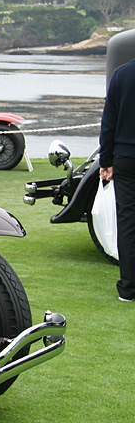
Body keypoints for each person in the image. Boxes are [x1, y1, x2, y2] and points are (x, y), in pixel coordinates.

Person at [99, 58, 135, 302]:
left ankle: (129, 287)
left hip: (125, 155)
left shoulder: (121, 74)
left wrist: (105, 159)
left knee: (128, 221)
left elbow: (108, 121)